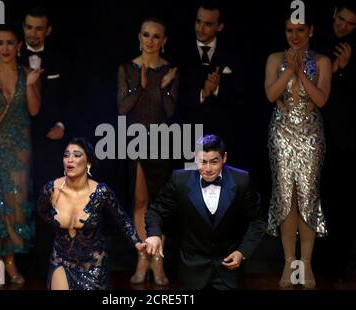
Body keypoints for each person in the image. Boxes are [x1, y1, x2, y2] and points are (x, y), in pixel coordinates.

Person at [145, 135, 266, 289]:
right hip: (191, 269)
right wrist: (154, 234)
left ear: (224, 158)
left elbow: (258, 220)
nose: (208, 169)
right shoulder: (179, 180)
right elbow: (156, 211)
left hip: (229, 268)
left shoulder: (241, 180)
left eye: (214, 162)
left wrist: (242, 252)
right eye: (202, 162)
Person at [264, 11, 332, 288]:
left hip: (310, 135)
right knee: (285, 197)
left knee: (307, 196)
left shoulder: (323, 61)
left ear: (311, 31)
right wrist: (289, 69)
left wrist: (301, 72)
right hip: (281, 134)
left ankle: (306, 264)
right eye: (290, 30)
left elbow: (321, 98)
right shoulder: (274, 59)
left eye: (300, 30)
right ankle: (289, 261)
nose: (295, 36)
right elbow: (270, 95)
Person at [0, 24, 43, 286]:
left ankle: (12, 260)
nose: (5, 48)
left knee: (16, 204)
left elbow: (35, 111)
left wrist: (31, 85)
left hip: (20, 146)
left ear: (19, 47)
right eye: (0, 43)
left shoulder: (28, 73)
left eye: (10, 43)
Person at [117, 17, 178, 286]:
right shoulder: (126, 68)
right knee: (141, 203)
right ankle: (143, 257)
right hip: (135, 140)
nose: (150, 41)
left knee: (159, 205)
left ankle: (158, 261)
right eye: (146, 35)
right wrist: (139, 86)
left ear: (163, 41)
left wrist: (164, 88)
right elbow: (122, 108)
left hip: (162, 141)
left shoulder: (170, 70)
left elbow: (170, 111)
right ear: (139, 37)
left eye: (156, 36)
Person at [37, 137, 144, 290]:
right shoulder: (51, 189)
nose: (70, 160)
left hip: (93, 265)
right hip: (61, 259)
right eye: (66, 155)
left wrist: (138, 242)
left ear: (88, 163)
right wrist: (57, 221)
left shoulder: (101, 192)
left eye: (76, 155)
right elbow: (42, 210)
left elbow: (122, 219)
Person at [314, 0, 356, 282]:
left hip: (346, 142)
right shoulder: (317, 42)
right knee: (315, 201)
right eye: (341, 19)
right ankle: (312, 262)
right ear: (333, 13)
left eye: (350, 23)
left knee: (342, 204)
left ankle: (337, 263)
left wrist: (345, 69)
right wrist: (334, 69)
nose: (343, 26)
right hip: (315, 135)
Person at [20, 6, 71, 277]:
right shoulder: (12, 56)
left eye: (39, 28)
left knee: (48, 202)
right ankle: (18, 264)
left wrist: (63, 125)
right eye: (29, 27)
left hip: (50, 144)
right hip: (17, 142)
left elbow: (70, 96)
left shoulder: (60, 59)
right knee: (18, 202)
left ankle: (44, 264)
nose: (34, 33)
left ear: (48, 30)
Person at [178, 0, 243, 162]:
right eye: (198, 22)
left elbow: (241, 96)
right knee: (189, 184)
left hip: (222, 136)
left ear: (219, 26)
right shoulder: (180, 53)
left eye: (207, 24)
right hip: (188, 136)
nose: (201, 28)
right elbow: (177, 95)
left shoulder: (233, 54)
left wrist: (216, 89)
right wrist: (203, 92)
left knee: (221, 185)